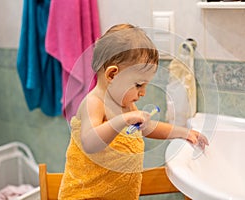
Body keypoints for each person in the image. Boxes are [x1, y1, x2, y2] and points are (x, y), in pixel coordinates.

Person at [58, 23, 209, 200]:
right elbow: (90, 143)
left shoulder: (126, 104)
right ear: (112, 75)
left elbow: (147, 127)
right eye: (138, 85)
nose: (143, 93)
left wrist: (183, 132)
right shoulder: (94, 103)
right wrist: (123, 119)